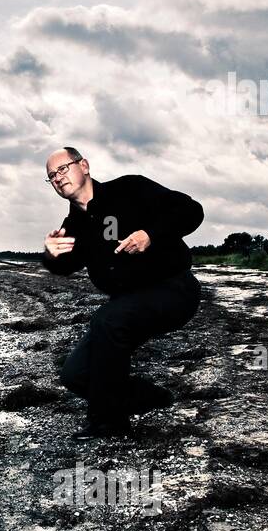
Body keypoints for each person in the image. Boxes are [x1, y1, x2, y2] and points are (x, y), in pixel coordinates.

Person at [41, 147, 203, 438]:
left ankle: (108, 423)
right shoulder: (73, 225)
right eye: (52, 176)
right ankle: (149, 397)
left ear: (85, 165)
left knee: (108, 320)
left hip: (174, 289)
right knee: (74, 374)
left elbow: (191, 210)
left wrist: (150, 234)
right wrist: (51, 255)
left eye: (63, 168)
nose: (57, 177)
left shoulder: (129, 188)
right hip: (128, 303)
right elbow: (66, 265)